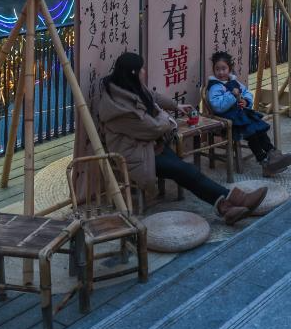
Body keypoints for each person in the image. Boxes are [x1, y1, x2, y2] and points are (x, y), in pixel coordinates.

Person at [93, 52, 268, 225]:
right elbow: (155, 128)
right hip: (135, 154)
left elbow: (152, 97)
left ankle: (227, 206)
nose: (144, 71)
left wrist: (176, 106)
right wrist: (166, 116)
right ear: (132, 72)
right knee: (186, 171)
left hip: (150, 146)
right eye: (141, 69)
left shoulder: (126, 86)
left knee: (187, 171)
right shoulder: (120, 108)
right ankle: (233, 201)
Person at [206, 51, 291, 177]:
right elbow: (217, 106)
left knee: (259, 129)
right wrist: (232, 95)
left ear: (229, 69)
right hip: (229, 119)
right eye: (217, 69)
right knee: (251, 133)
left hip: (241, 115)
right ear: (214, 70)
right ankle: (265, 163)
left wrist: (245, 101)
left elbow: (246, 92)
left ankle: (272, 154)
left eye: (224, 68)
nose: (221, 72)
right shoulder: (215, 86)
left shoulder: (234, 82)